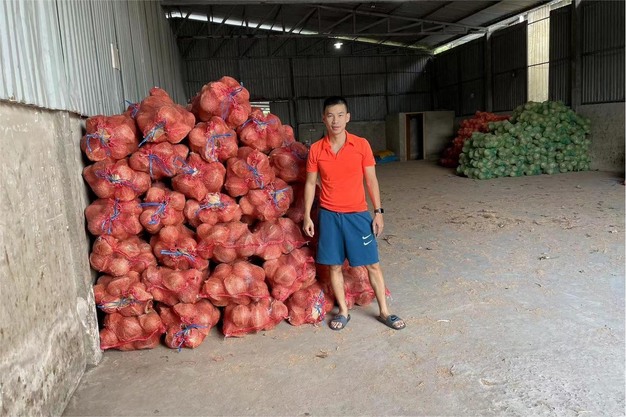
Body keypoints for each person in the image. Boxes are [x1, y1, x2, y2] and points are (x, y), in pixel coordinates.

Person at [302, 96, 406, 331]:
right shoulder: (316, 149)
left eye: (340, 115)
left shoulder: (361, 145)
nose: (335, 120)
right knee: (334, 266)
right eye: (330, 115)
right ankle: (343, 312)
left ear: (348, 117)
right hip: (329, 216)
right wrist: (307, 215)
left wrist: (378, 212)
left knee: (372, 264)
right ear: (323, 118)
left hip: (357, 215)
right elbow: (309, 184)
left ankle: (384, 312)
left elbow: (371, 180)